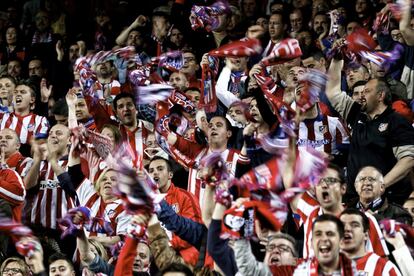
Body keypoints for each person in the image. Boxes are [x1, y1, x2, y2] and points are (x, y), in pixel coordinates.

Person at [326, 60, 414, 204]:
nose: (361, 96)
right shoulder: (356, 113)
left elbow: (408, 160)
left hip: (386, 200)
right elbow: (332, 92)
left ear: (380, 96)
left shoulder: (397, 122)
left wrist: (380, 185)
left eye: (367, 92)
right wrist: (336, 60)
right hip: (355, 198)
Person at [293, 163, 389, 259]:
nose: (324, 185)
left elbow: (382, 263)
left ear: (343, 188)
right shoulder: (310, 216)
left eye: (330, 180)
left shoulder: (365, 220)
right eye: (319, 181)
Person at [166, 115, 249, 207]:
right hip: (194, 217)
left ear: (228, 133)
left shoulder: (238, 157)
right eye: (210, 126)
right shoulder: (195, 152)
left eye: (219, 125)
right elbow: (169, 138)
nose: (213, 127)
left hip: (223, 216)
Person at [147, 156, 202, 266]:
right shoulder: (144, 202)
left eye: (160, 169)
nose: (155, 173)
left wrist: (169, 244)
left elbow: (193, 232)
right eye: (151, 171)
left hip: (182, 256)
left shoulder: (184, 196)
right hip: (154, 254)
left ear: (170, 175)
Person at [340, 208, 401, 275]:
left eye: (354, 225)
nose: (347, 229)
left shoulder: (385, 268)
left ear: (366, 235)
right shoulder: (327, 266)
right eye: (341, 226)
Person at [293, 214, 359, 275]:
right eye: (318, 234)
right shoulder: (299, 273)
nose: (324, 238)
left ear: (341, 241)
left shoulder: (357, 272)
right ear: (312, 243)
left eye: (330, 234)